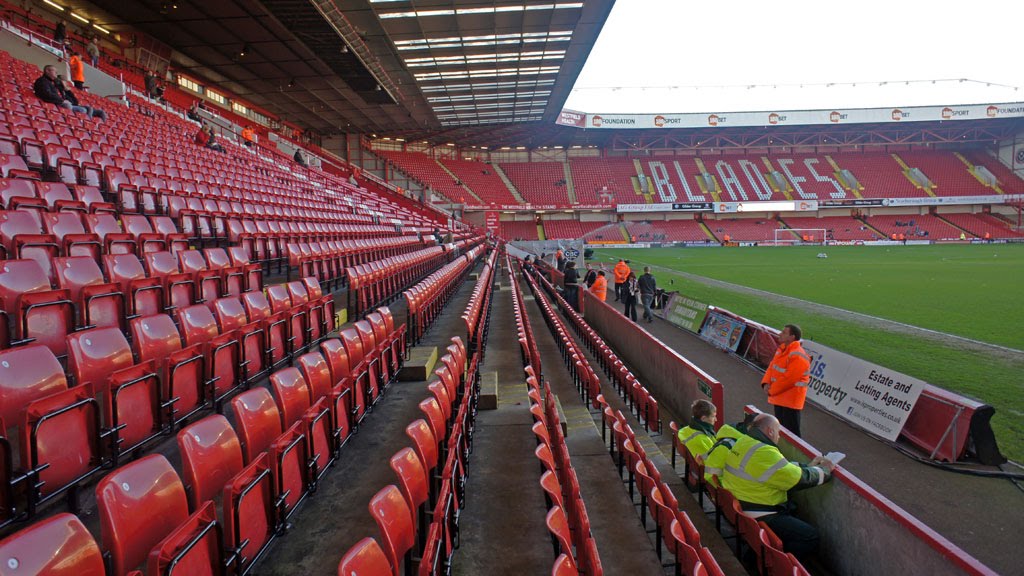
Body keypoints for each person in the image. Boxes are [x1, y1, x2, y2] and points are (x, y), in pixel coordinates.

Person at [721, 414, 834, 560]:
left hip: (742, 505)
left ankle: (759, 556)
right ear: (770, 431)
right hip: (759, 512)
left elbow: (780, 469)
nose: (779, 436)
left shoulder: (745, 441)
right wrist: (825, 470)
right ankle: (777, 562)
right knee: (810, 536)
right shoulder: (764, 451)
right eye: (778, 432)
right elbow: (798, 479)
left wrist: (807, 466)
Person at [761, 324, 811, 438]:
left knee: (792, 435)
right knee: (781, 431)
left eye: (784, 332)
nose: (780, 334)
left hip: (790, 402)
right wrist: (766, 383)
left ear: (792, 337)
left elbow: (789, 379)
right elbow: (771, 367)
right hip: (780, 398)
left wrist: (771, 390)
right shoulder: (782, 350)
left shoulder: (798, 355)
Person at [33, 65, 106, 120]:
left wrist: (66, 89)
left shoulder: (56, 84)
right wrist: (62, 100)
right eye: (54, 71)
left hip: (66, 103)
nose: (56, 73)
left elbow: (75, 101)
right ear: (47, 71)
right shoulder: (42, 81)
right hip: (57, 104)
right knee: (83, 109)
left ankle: (90, 124)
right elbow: (47, 94)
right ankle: (88, 124)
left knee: (97, 111)